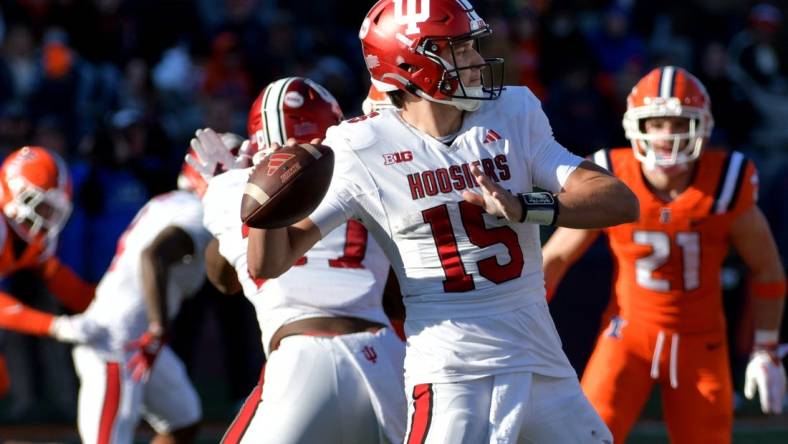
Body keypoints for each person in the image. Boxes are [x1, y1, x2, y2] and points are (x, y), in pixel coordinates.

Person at [246, 1, 639, 442]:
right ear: (411, 61)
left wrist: (527, 206)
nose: (476, 60)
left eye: (472, 46)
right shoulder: (362, 147)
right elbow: (270, 263)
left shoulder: (513, 113)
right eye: (460, 49)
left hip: (539, 359)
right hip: (451, 373)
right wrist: (264, 205)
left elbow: (619, 200)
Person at [542, 66, 787, 444]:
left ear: (702, 127)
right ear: (634, 126)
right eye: (656, 123)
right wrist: (524, 329)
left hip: (701, 339)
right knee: (586, 437)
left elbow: (767, 268)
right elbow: (555, 257)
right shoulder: (613, 177)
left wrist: (766, 348)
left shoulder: (725, 180)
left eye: (678, 123)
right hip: (627, 335)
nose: (667, 136)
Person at [198, 76, 406, 444]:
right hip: (386, 355)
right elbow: (397, 298)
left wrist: (224, 188)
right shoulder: (365, 173)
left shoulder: (230, 188)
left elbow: (224, 279)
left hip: (302, 359)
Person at [68, 134, 240, 444]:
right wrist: (160, 327)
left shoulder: (171, 201)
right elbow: (153, 256)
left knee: (183, 419)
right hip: (116, 343)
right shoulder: (196, 212)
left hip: (140, 339)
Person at [0, 146, 104, 398]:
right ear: (14, 194)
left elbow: (58, 278)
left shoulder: (35, 236)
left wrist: (104, 305)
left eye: (52, 209)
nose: (47, 216)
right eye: (40, 206)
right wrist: (55, 326)